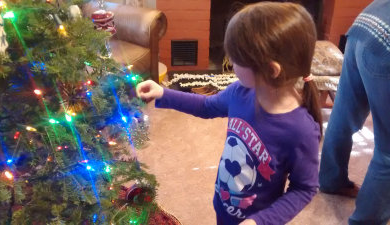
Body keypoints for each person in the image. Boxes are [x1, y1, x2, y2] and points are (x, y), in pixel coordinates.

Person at [137, 2, 322, 225]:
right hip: (224, 206)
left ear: (271, 70)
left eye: (236, 59)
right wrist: (163, 94)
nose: (230, 63)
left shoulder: (299, 130)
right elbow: (207, 107)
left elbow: (304, 188)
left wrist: (261, 221)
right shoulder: (240, 92)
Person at [319, 0, 390, 224]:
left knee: (342, 115)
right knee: (388, 151)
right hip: (387, 44)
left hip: (368, 21)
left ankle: (331, 181)